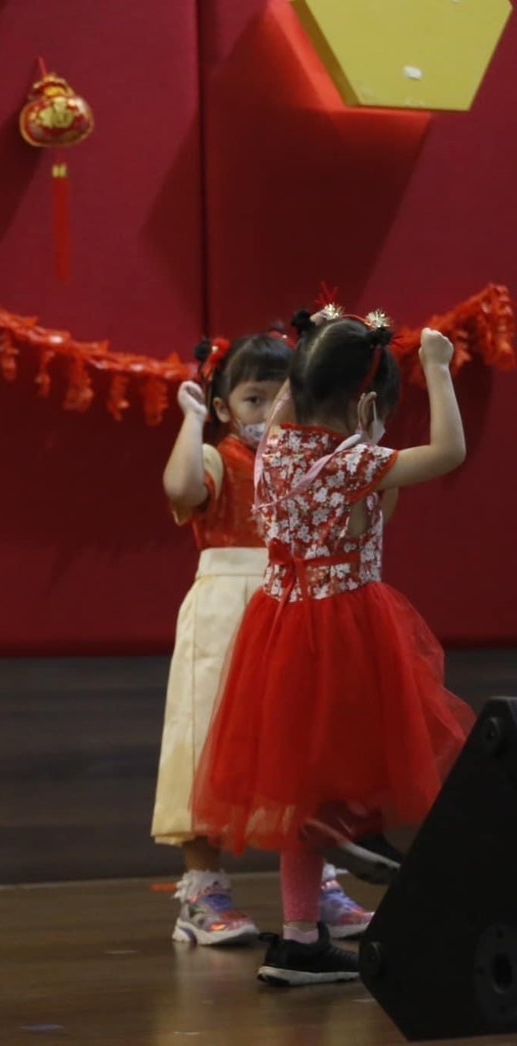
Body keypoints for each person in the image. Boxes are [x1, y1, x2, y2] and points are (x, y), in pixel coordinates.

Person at [193, 307, 475, 986]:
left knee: (303, 783)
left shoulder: (272, 447)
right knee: (368, 759)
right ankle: (350, 829)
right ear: (365, 401)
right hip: (346, 624)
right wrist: (437, 368)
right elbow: (449, 453)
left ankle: (300, 940)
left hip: (280, 625)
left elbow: (299, 400)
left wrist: (325, 353)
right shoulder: (353, 462)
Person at [156, 332, 373, 946]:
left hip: (297, 602)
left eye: (284, 396)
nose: (271, 411)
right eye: (254, 398)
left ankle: (315, 886)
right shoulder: (219, 457)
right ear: (224, 408)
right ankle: (202, 891)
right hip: (226, 606)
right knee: (205, 735)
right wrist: (190, 421)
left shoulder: (311, 462)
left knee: (302, 744)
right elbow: (181, 490)